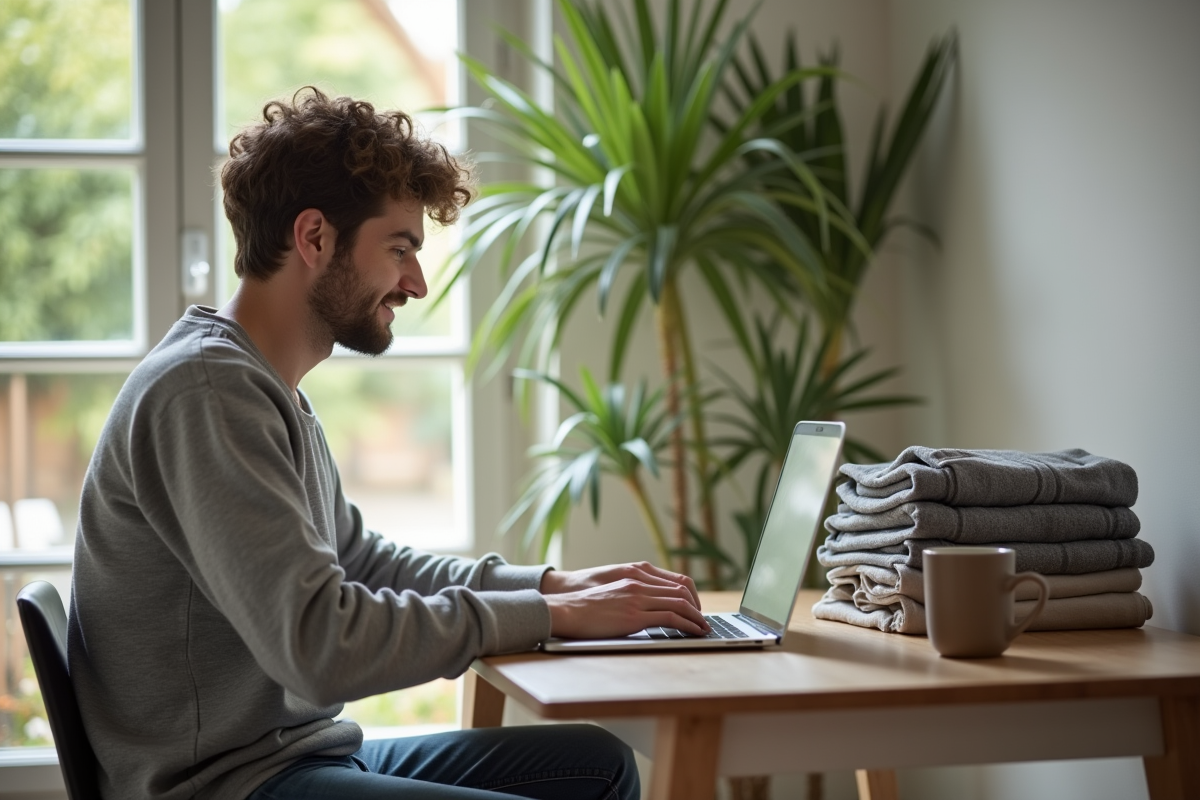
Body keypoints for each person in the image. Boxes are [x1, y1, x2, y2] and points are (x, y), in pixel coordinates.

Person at [67, 87, 709, 800]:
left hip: (297, 759)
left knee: (597, 765)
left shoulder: (262, 388)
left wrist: (550, 586)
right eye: (399, 249)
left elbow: (360, 561)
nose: (418, 282)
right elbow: (318, 647)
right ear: (314, 238)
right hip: (227, 786)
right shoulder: (206, 393)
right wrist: (551, 618)